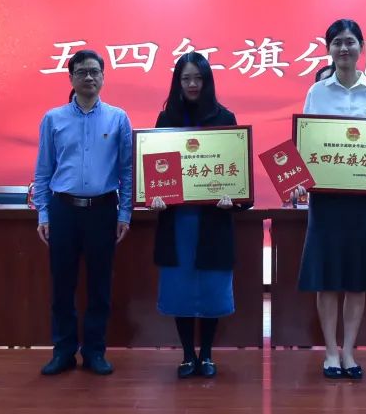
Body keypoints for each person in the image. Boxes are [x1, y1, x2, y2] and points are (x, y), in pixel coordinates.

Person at [295, 19, 366, 381]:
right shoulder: (317, 92)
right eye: (337, 42)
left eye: (350, 42)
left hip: (362, 200)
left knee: (357, 275)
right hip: (326, 200)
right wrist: (298, 180)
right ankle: (330, 351)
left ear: (361, 47)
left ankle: (349, 350)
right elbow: (305, 142)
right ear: (328, 49)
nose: (344, 48)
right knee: (327, 275)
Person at [33, 49, 133, 377]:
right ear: (71, 78)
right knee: (62, 286)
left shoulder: (118, 118)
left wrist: (125, 213)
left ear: (103, 77)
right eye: (81, 72)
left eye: (94, 71)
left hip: (102, 211)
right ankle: (63, 352)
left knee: (100, 286)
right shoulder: (53, 119)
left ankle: (94, 352)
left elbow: (127, 170)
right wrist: (43, 214)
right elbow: (44, 171)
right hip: (63, 210)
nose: (89, 77)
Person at [148, 53, 246, 379]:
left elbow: (238, 176)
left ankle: (207, 354)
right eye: (186, 78)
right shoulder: (166, 120)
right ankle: (187, 355)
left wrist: (233, 199)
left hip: (212, 221)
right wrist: (154, 197)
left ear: (207, 81)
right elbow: (154, 174)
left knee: (212, 290)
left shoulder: (225, 118)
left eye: (198, 78)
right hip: (178, 223)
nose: (192, 84)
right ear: (177, 82)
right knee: (181, 288)